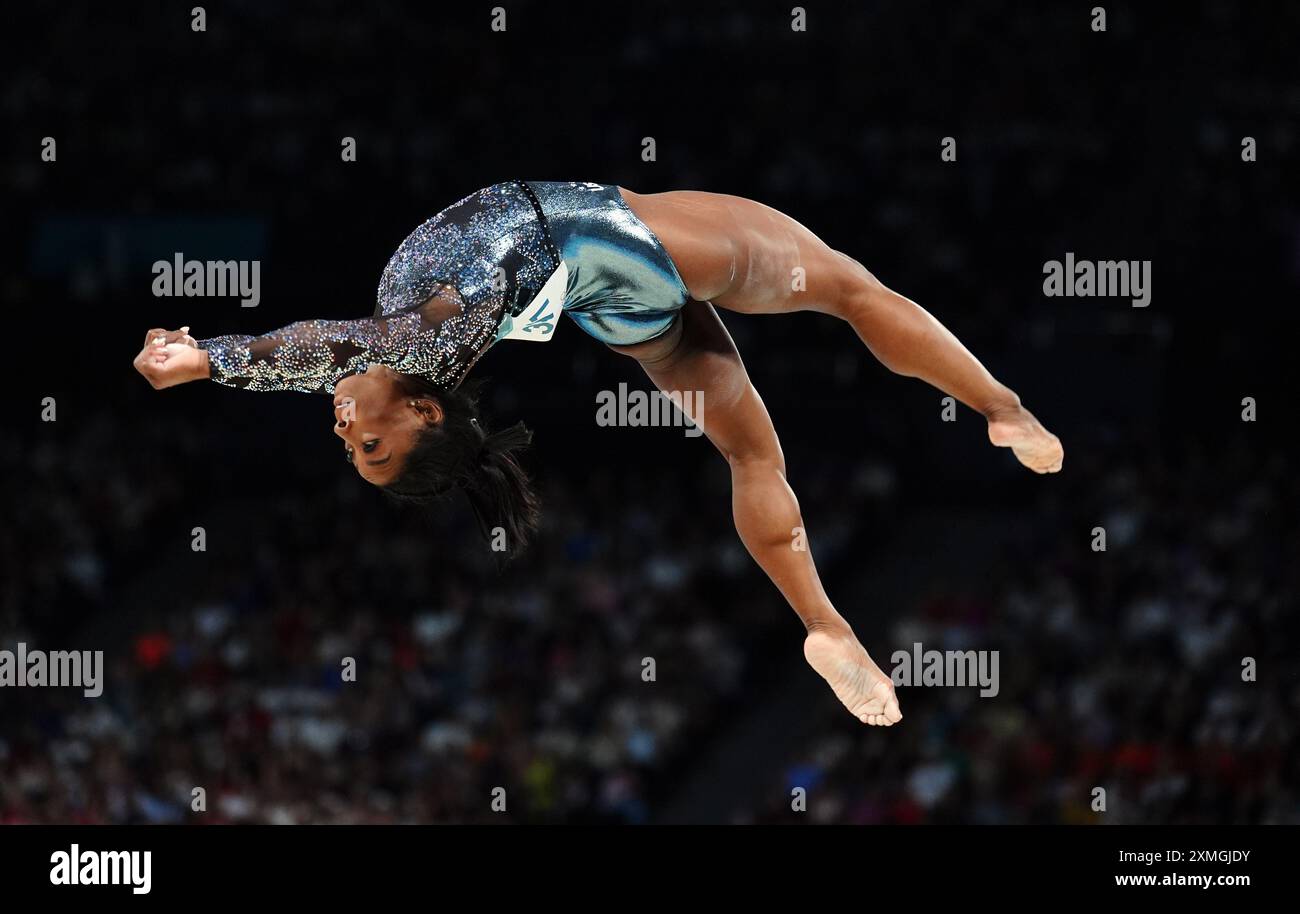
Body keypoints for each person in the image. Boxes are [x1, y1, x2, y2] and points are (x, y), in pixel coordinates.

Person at [134, 180, 1064, 727]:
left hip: (601, 304)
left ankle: (826, 624)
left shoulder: (403, 347)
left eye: (352, 447)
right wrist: (213, 358)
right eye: (372, 446)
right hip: (614, 242)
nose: (347, 432)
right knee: (854, 290)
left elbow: (322, 358)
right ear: (423, 413)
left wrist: (226, 364)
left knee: (749, 454)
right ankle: (1002, 409)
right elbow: (318, 346)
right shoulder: (411, 350)